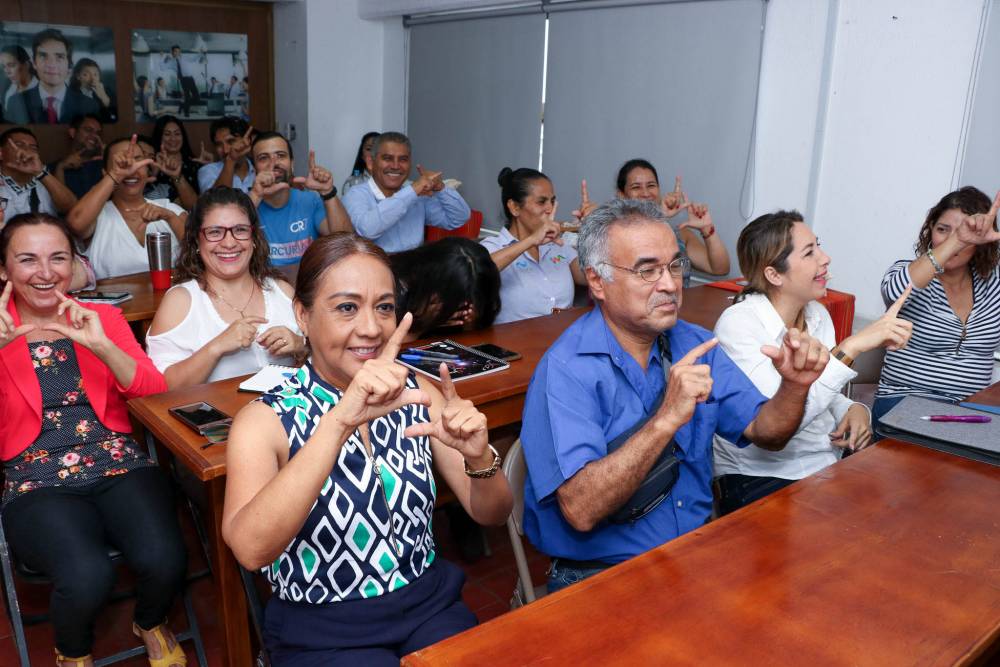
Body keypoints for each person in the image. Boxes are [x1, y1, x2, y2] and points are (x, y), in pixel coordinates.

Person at [221, 233, 512, 664]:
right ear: (302, 315)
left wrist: (478, 458)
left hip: (428, 606)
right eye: (346, 308)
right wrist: (338, 422)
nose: (372, 328)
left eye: (384, 307)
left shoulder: (418, 394)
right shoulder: (264, 422)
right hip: (323, 628)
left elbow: (493, 513)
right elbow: (249, 549)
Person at [520, 199, 831, 592]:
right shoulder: (567, 369)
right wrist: (666, 419)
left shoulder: (695, 343)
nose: (669, 284)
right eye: (647, 270)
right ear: (597, 281)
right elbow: (581, 510)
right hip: (604, 572)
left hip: (697, 552)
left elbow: (767, 431)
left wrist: (794, 386)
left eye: (674, 266)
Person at [0, 212, 188, 667]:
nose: (45, 273)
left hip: (116, 459)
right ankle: (73, 651)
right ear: (4, 269)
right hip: (35, 473)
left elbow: (153, 391)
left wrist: (100, 344)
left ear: (76, 265)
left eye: (58, 258)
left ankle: (149, 620)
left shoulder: (102, 316)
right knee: (87, 575)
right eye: (28, 259)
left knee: (166, 558)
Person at [712, 210, 913, 514]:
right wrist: (850, 348)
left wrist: (854, 409)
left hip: (823, 463)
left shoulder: (817, 314)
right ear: (774, 275)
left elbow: (822, 393)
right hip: (760, 477)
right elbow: (777, 427)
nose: (825, 257)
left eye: (818, 246)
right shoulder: (739, 324)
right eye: (810, 252)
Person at [146, 188, 303, 389]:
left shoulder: (281, 291)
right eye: (215, 232)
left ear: (254, 238)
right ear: (196, 240)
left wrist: (301, 345)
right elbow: (161, 387)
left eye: (240, 230)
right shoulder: (181, 301)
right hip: (220, 420)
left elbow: (325, 363)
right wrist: (216, 347)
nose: (229, 243)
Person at [873, 186, 1000, 423]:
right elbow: (894, 292)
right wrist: (958, 240)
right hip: (905, 402)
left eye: (965, 232)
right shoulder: (909, 272)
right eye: (943, 230)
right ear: (930, 230)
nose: (952, 239)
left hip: (971, 411)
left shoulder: (993, 284)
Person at [66, 135, 187, 280]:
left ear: (147, 169)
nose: (130, 169)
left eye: (137, 160)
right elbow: (75, 224)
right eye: (121, 162)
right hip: (112, 303)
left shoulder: (169, 209)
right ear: (106, 173)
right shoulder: (97, 215)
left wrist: (170, 218)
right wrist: (117, 174)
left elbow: (200, 251)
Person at [481, 167, 587, 324]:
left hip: (561, 340)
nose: (550, 209)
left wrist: (596, 228)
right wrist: (531, 240)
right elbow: (478, 272)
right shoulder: (494, 246)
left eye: (552, 201)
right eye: (541, 202)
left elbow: (588, 277)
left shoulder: (556, 244)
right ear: (515, 207)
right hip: (514, 344)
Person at [341, 131, 470, 252]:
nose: (396, 166)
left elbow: (458, 218)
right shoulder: (355, 194)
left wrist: (440, 188)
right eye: (387, 158)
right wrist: (412, 191)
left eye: (403, 159)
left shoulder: (416, 194)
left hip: (414, 268)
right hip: (377, 272)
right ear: (370, 163)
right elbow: (368, 230)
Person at [615, 159, 731, 286]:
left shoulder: (680, 233)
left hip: (680, 305)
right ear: (622, 195)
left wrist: (707, 228)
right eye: (636, 187)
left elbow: (719, 269)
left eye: (651, 185)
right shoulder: (616, 235)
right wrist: (660, 219)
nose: (646, 193)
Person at [248, 131, 350, 266]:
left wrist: (328, 191)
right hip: (263, 284)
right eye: (263, 158)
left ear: (292, 163)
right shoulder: (246, 203)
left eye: (281, 155)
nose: (274, 163)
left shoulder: (310, 201)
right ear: (254, 169)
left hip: (306, 283)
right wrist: (255, 195)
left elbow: (346, 244)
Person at [391, 237, 501, 339]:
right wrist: (422, 323)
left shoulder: (468, 303)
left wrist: (471, 323)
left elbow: (471, 342)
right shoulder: (393, 286)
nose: (460, 309)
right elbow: (385, 351)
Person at [5, 29, 100, 125]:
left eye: (59, 57)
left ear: (69, 65)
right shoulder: (15, 102)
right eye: (43, 56)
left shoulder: (89, 105)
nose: (51, 64)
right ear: (34, 63)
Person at [0, 127, 78, 217]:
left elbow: (72, 208)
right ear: (1, 153)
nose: (27, 151)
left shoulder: (45, 182)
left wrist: (40, 172)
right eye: (19, 145)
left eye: (33, 148)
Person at [147, 115, 200, 210]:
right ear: (159, 137)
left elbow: (197, 206)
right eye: (167, 134)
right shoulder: (152, 164)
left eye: (177, 134)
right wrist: (154, 174)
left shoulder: (195, 165)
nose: (173, 139)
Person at [50, 114, 105, 199]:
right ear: (73, 132)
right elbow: (62, 206)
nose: (94, 136)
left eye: (98, 133)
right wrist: (60, 168)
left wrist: (109, 158)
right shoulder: (53, 168)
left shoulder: (103, 165)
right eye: (89, 130)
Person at [198, 116, 255, 193]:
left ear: (247, 140)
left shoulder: (259, 168)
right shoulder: (208, 171)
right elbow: (217, 201)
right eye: (219, 144)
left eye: (231, 141)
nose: (225, 150)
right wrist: (231, 160)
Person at [69, 58, 114, 123]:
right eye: (86, 74)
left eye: (95, 74)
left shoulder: (108, 91)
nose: (93, 78)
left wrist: (104, 97)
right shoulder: (71, 94)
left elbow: (113, 116)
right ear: (78, 76)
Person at [163, 46, 200, 117]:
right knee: (187, 96)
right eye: (175, 51)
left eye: (178, 51)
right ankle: (186, 113)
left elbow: (193, 59)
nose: (177, 53)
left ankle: (182, 105)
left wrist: (200, 53)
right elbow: (163, 67)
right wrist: (164, 59)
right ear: (172, 52)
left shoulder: (185, 57)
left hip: (190, 78)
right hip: (183, 79)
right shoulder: (172, 61)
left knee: (197, 98)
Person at [1, 45, 38, 113]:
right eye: (4, 67)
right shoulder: (10, 91)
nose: (7, 71)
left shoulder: (41, 90)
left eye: (11, 65)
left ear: (26, 65)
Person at [341, 131, 379, 196]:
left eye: (377, 149)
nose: (373, 153)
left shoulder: (393, 181)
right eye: (369, 149)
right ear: (362, 155)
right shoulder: (352, 183)